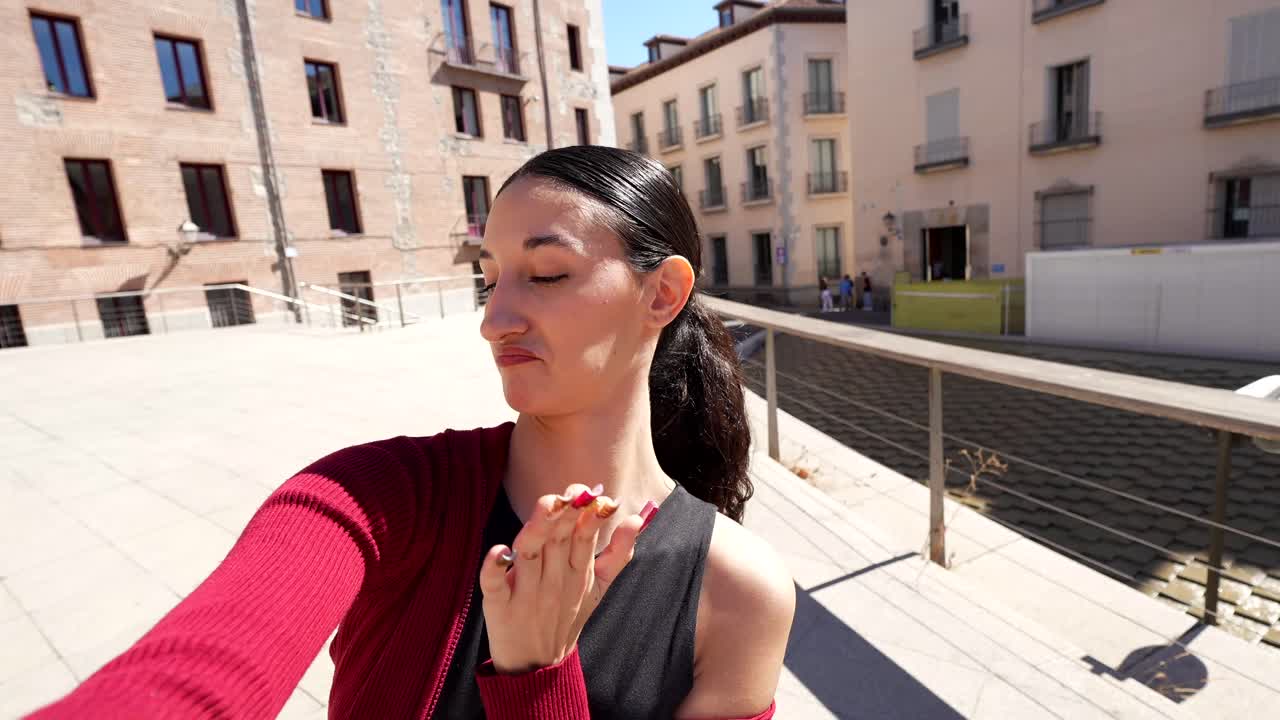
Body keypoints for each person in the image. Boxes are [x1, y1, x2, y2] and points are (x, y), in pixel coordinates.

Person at [28, 146, 794, 720]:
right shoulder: (376, 498)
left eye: (546, 274)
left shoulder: (738, 594)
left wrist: (537, 680)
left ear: (662, 293)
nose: (495, 319)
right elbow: (200, 672)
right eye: (488, 278)